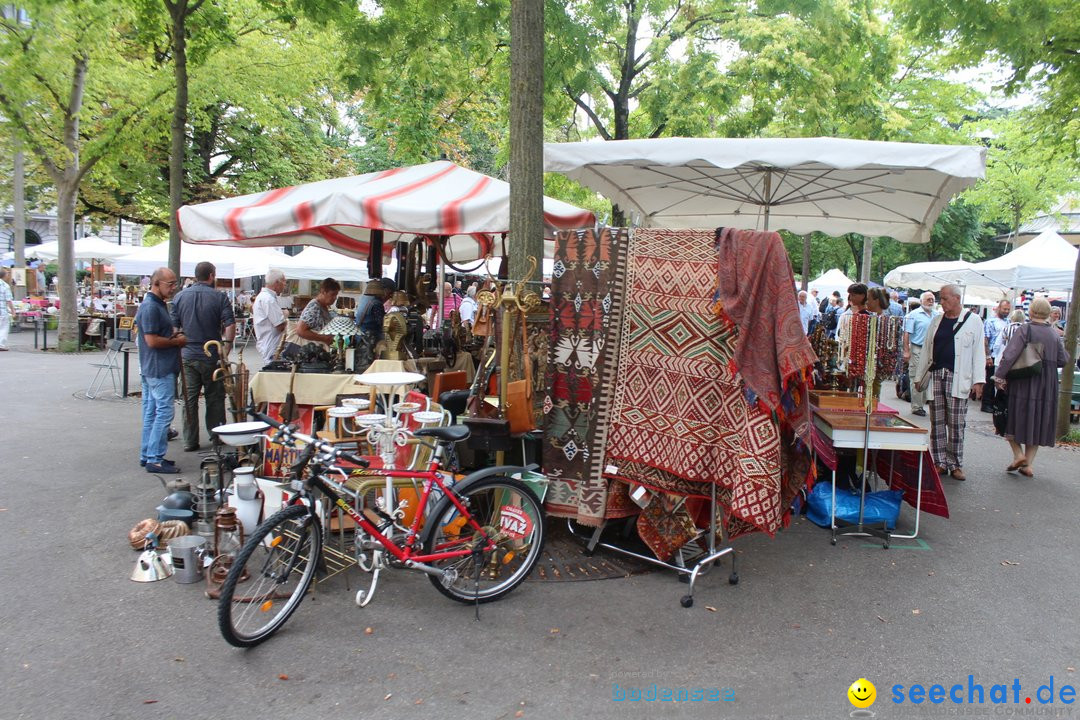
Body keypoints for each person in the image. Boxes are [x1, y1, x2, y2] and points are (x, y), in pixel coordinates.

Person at [913, 285, 985, 481]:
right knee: (936, 420)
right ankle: (939, 461)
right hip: (937, 374)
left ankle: (955, 463)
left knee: (955, 422)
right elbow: (927, 349)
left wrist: (979, 380)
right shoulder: (936, 320)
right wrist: (919, 377)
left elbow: (979, 351)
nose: (941, 303)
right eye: (941, 299)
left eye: (945, 299)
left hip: (958, 376)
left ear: (956, 298)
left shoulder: (974, 321)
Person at [992, 298, 1068, 478]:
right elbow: (1063, 360)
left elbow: (1010, 354)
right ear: (1049, 313)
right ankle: (1028, 464)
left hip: (1024, 380)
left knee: (1013, 416)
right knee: (1037, 419)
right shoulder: (1054, 334)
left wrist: (1000, 375)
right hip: (1046, 383)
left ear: (1031, 312)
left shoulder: (1025, 330)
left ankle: (1018, 455)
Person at [170, 261, 236, 452]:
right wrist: (227, 347)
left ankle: (190, 440)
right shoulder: (219, 297)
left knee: (189, 399)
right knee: (214, 398)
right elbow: (230, 325)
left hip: (187, 354)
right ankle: (216, 436)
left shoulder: (180, 297)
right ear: (212, 276)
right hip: (212, 355)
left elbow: (174, 328)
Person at [135, 268, 187, 474]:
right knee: (163, 412)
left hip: (154, 367)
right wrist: (177, 342)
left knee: (152, 412)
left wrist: (172, 337)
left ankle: (148, 454)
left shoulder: (156, 305)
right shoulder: (150, 307)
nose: (174, 288)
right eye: (170, 284)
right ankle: (154, 458)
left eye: (175, 283)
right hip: (158, 368)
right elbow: (152, 340)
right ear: (156, 284)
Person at [903, 292, 937, 417]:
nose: (931, 302)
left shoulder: (936, 315)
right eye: (928, 299)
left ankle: (922, 403)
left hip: (932, 350)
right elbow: (906, 333)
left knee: (927, 377)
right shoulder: (913, 315)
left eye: (933, 299)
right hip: (917, 348)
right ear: (921, 301)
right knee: (916, 376)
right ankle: (917, 406)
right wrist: (906, 351)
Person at [252, 269, 288, 368]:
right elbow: (280, 326)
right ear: (277, 283)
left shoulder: (265, 297)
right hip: (271, 346)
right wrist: (285, 315)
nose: (285, 285)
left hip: (268, 344)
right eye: (284, 282)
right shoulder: (268, 299)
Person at [292, 277, 340, 349]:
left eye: (336, 295)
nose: (335, 298)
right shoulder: (314, 307)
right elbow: (300, 330)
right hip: (313, 350)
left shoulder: (323, 306)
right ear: (323, 292)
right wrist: (323, 338)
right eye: (333, 294)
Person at [981, 299, 1012, 413]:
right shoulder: (990, 321)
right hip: (993, 353)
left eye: (1008, 309)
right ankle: (986, 403)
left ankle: (996, 403)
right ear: (999, 308)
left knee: (1000, 379)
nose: (1006, 311)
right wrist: (988, 355)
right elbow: (985, 339)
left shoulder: (1009, 322)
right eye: (1004, 309)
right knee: (990, 379)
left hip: (1003, 355)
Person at [0, 268, 14, 351]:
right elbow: (9, 300)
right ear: (4, 275)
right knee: (4, 327)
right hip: (2, 310)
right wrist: (13, 311)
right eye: (7, 274)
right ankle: (1, 344)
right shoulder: (5, 286)